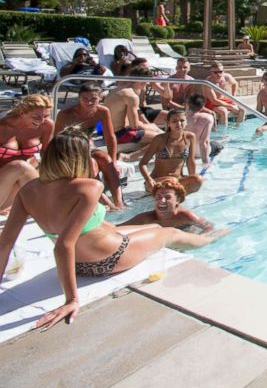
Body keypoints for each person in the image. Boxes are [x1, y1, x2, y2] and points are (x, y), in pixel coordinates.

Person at [0, 130, 217, 330]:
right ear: (80, 157)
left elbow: (5, 243)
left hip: (78, 264)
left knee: (151, 225)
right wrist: (72, 300)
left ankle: (192, 238)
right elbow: (64, 245)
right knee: (169, 233)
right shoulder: (89, 187)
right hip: (107, 259)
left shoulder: (28, 190)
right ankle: (211, 240)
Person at [54, 83, 124, 209]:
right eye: (85, 99)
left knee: (106, 160)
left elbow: (110, 137)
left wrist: (114, 161)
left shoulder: (102, 111)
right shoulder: (65, 114)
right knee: (91, 163)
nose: (89, 102)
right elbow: (55, 140)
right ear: (79, 98)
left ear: (100, 98)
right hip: (70, 149)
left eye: (93, 99)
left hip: (88, 146)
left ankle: (119, 203)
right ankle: (106, 203)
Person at [0, 94, 53, 211]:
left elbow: (47, 155)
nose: (42, 121)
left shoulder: (47, 126)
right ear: (22, 113)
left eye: (46, 116)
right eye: (36, 117)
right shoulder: (2, 126)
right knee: (19, 166)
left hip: (24, 180)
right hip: (2, 180)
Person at [137, 109, 202, 195]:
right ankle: (174, 194)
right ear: (168, 123)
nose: (179, 124)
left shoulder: (190, 137)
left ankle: (176, 195)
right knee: (172, 181)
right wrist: (148, 179)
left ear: (186, 121)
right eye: (174, 121)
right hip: (157, 182)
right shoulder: (159, 139)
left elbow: (191, 161)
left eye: (182, 120)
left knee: (198, 179)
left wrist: (191, 179)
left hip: (178, 180)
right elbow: (142, 163)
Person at [103, 66, 163, 149]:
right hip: (118, 134)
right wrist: (152, 127)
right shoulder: (131, 96)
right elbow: (134, 126)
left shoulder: (119, 89)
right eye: (147, 82)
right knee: (162, 138)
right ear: (142, 81)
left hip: (106, 132)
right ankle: (130, 157)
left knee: (154, 130)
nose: (148, 84)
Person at [121, 177, 213, 232]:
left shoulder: (185, 216)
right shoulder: (146, 218)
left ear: (178, 200)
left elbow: (209, 227)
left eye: (168, 197)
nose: (162, 200)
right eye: (158, 197)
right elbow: (118, 229)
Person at [202, 62, 244, 126]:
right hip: (210, 102)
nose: (219, 74)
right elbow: (214, 100)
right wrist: (230, 106)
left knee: (242, 109)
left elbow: (235, 84)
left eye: (220, 71)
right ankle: (223, 134)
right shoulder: (208, 82)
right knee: (223, 111)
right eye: (215, 72)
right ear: (211, 72)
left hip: (222, 99)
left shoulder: (226, 77)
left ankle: (238, 129)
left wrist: (233, 97)